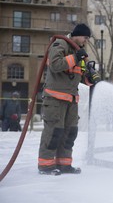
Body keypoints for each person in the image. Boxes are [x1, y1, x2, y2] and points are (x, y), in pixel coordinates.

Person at [38, 23, 101, 175]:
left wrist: (90, 79)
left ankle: (64, 164)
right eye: (85, 38)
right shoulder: (60, 44)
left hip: (71, 99)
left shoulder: (77, 51)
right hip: (55, 98)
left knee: (70, 132)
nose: (85, 41)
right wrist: (75, 57)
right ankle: (45, 165)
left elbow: (79, 75)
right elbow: (55, 65)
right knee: (54, 131)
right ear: (77, 35)